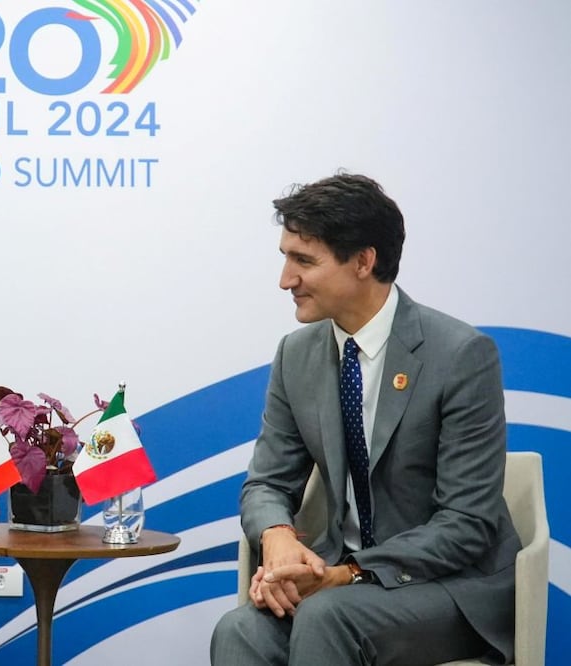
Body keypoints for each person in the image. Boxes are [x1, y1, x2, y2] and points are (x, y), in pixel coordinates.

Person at [210, 174, 520, 665]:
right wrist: (279, 538)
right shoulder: (297, 354)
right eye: (285, 257)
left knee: (328, 615)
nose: (285, 280)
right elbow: (266, 483)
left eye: (304, 261)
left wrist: (348, 573)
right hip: (341, 585)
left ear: (363, 261)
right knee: (240, 630)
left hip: (451, 589)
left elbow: (467, 524)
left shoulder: (461, 354)